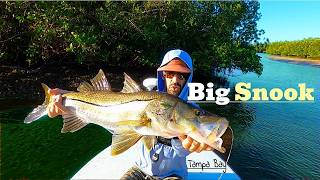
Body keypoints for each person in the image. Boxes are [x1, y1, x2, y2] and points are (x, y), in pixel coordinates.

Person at [47, 49, 212, 180]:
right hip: (140, 171)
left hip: (173, 176)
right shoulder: (146, 98)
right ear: (163, 76)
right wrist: (60, 99)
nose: (175, 80)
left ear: (187, 78)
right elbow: (118, 125)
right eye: (170, 74)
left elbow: (186, 150)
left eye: (181, 75)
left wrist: (191, 141)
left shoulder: (192, 112)